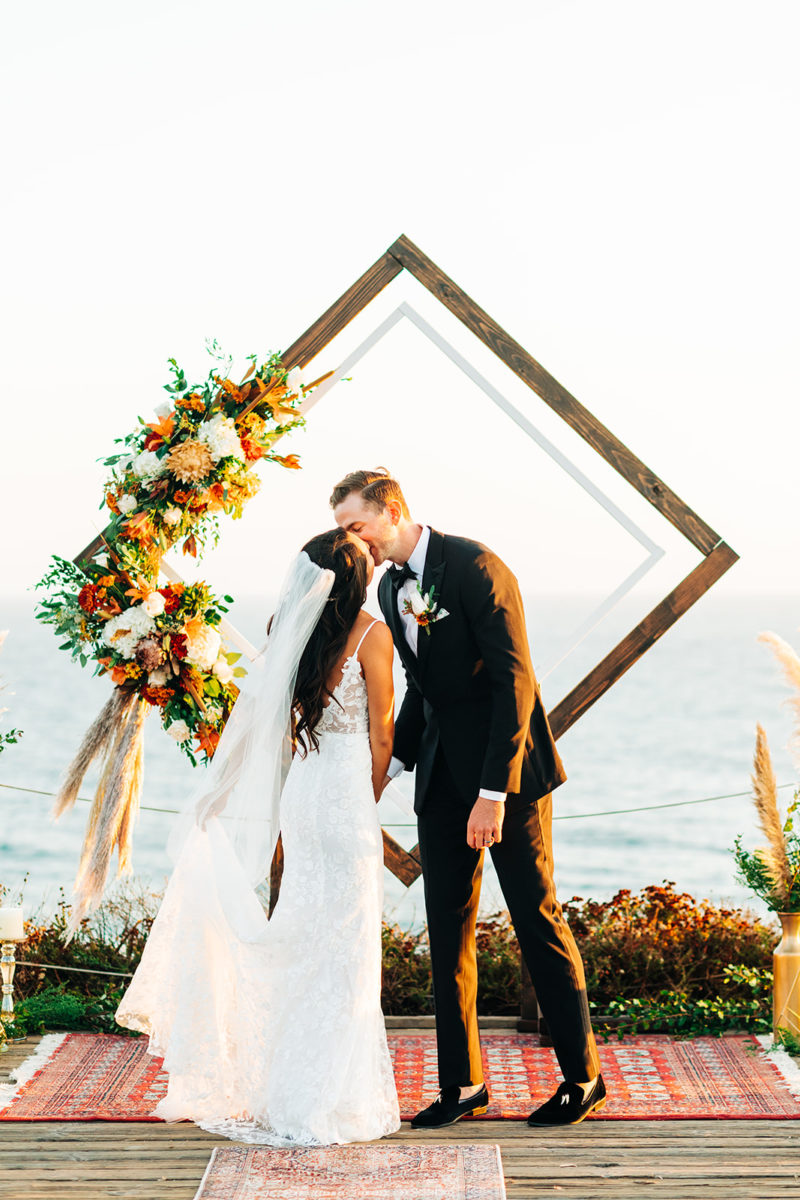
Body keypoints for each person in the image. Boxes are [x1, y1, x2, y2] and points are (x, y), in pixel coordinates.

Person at [331, 469, 605, 1129]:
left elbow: (515, 682)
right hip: (441, 781)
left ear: (390, 511)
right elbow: (428, 687)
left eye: (356, 526)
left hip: (507, 778)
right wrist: (389, 766)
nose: (351, 541)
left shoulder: (477, 567)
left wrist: (494, 795)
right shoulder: (394, 585)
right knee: (447, 933)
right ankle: (463, 1086)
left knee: (535, 919)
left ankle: (583, 1076)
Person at [116, 529, 401, 1146]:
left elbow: (264, 723)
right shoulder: (374, 636)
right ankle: (331, 1096)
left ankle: (285, 1089)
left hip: (302, 796)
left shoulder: (291, 632)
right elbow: (383, 738)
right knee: (346, 950)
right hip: (345, 798)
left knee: (300, 933)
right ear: (356, 579)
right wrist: (366, 796)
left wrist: (217, 794)